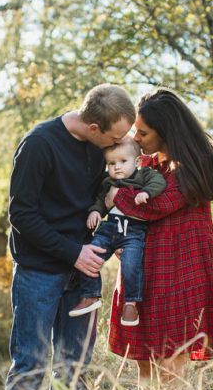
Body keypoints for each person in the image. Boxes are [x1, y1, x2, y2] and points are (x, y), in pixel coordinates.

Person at [5, 84, 136, 390]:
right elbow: (21, 214)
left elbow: (103, 197)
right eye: (113, 138)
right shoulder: (39, 144)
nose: (118, 144)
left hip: (84, 276)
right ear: (93, 128)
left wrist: (119, 234)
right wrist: (73, 252)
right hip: (39, 272)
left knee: (75, 366)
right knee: (31, 364)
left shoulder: (100, 148)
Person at [106, 88, 213, 380]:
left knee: (169, 360)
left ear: (166, 132)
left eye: (143, 133)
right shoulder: (150, 164)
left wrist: (113, 195)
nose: (136, 139)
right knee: (142, 356)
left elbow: (152, 208)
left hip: (178, 269)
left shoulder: (190, 168)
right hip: (145, 267)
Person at [68, 136, 167, 327]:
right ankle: (90, 295)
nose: (117, 167)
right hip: (109, 228)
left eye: (123, 161)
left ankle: (130, 304)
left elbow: (159, 183)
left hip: (133, 231)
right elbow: (100, 200)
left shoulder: (144, 175)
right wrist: (96, 211)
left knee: (131, 264)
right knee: (90, 255)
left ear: (137, 161)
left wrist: (146, 193)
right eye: (111, 163)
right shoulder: (108, 182)